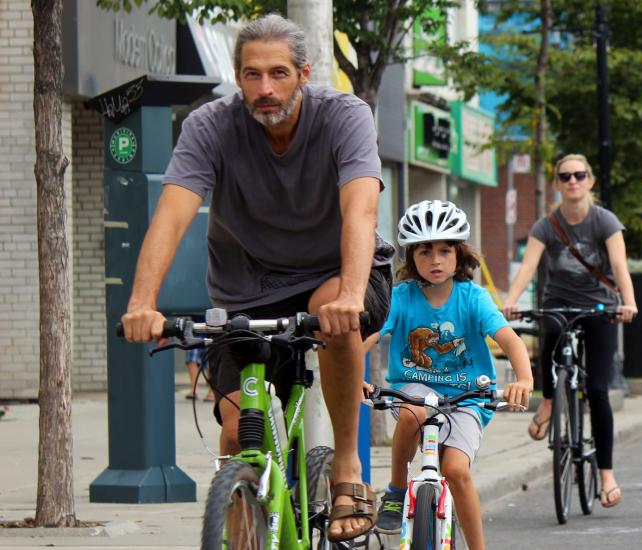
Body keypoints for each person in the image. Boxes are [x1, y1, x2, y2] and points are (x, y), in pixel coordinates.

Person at [118, 15, 392, 541]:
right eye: (251, 75)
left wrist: (352, 295)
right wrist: (143, 303)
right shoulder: (210, 126)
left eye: (278, 74)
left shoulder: (344, 117)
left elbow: (360, 212)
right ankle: (246, 522)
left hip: (338, 276)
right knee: (234, 432)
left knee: (336, 312)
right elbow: (171, 216)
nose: (265, 89)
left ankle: (347, 471)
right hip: (246, 290)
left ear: (304, 74)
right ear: (238, 76)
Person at [371, 200, 534, 548]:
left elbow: (509, 339)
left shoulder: (473, 297)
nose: (435, 260)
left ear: (459, 255)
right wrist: (353, 372)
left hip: (467, 397)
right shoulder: (401, 297)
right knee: (413, 410)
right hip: (415, 386)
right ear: (412, 257)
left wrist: (524, 379)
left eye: (445, 250)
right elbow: (367, 337)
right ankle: (397, 489)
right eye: (425, 252)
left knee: (457, 472)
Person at [501, 154, 638, 509]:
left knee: (597, 389)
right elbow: (528, 266)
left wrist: (628, 301)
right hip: (559, 302)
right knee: (549, 334)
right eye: (565, 176)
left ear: (590, 180)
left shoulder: (604, 221)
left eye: (579, 175)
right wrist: (510, 301)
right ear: (558, 184)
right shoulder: (547, 225)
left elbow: (620, 264)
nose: (573, 181)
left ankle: (606, 475)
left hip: (599, 306)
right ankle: (548, 400)